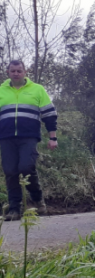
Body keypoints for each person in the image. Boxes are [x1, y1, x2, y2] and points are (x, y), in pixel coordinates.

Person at [1, 60, 57, 221]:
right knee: (10, 171)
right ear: (8, 73)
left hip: (29, 136)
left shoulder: (37, 90)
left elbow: (49, 114)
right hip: (6, 137)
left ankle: (37, 199)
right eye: (13, 71)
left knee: (26, 167)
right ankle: (14, 209)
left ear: (25, 72)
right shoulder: (1, 91)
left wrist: (52, 137)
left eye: (19, 70)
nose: (16, 73)